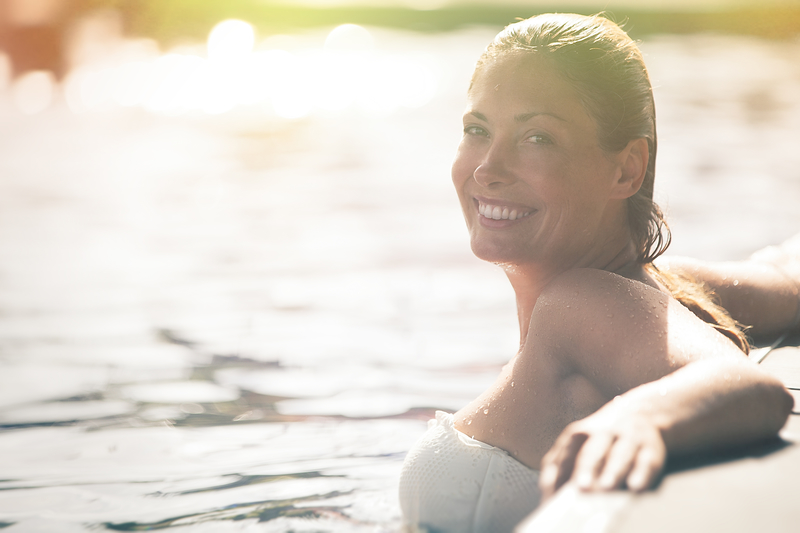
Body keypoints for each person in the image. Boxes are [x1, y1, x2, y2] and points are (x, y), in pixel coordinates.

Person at [398, 13, 796, 533]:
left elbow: (746, 385)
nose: (487, 168)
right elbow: (784, 279)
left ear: (626, 168)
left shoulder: (580, 300)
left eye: (537, 137)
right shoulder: (669, 285)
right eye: (477, 130)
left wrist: (638, 417)